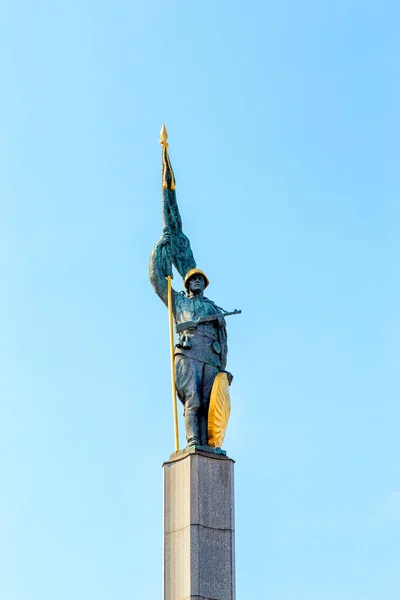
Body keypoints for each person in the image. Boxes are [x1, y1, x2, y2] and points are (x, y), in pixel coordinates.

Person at [149, 233, 230, 447]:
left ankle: (208, 445)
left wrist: (223, 369)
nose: (196, 281)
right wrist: (159, 249)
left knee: (208, 403)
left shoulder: (214, 310)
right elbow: (156, 279)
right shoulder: (178, 301)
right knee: (192, 401)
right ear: (187, 283)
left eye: (200, 279)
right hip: (188, 352)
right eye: (193, 279)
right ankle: (193, 440)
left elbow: (223, 343)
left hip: (210, 357)